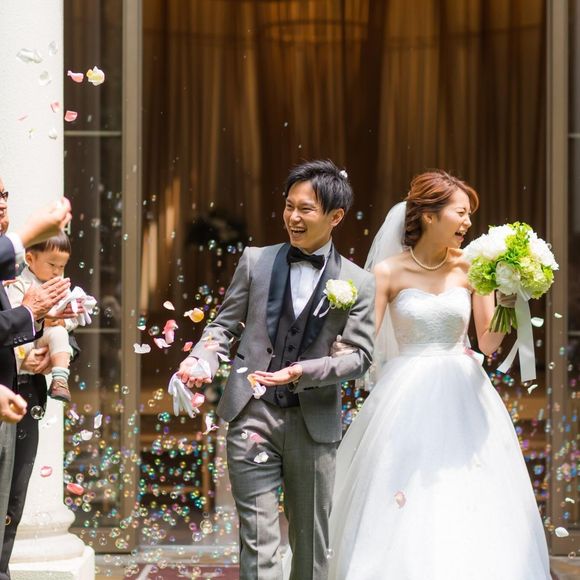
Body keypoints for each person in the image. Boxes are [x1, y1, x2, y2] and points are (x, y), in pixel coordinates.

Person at [327, 170, 551, 579]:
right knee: (404, 486)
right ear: (429, 215)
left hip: (463, 389)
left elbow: (488, 342)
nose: (468, 222)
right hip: (406, 392)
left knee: (470, 485)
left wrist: (505, 299)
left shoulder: (474, 268)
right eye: (460, 213)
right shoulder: (388, 272)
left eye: (468, 215)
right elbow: (363, 342)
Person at [176, 160, 375, 580]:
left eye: (306, 209)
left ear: (336, 217)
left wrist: (304, 371)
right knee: (257, 542)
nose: (293, 217)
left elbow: (360, 357)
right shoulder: (256, 261)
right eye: (289, 206)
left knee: (311, 545)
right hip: (252, 414)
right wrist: (201, 358)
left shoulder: (358, 282)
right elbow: (223, 326)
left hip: (313, 424)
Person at [0, 175, 73, 577]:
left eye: (4, 194)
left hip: (25, 399)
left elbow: (58, 330)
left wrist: (51, 354)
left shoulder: (19, 268)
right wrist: (28, 314)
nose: (2, 203)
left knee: (11, 504)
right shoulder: (15, 266)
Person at [6, 232, 85, 403]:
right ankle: (16, 371)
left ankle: (60, 380)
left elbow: (72, 319)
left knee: (59, 333)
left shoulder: (61, 286)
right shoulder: (19, 283)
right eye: (52, 265)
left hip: (44, 342)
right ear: (30, 259)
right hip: (22, 343)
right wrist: (40, 318)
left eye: (62, 267)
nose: (57, 272)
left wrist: (63, 321)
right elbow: (13, 317)